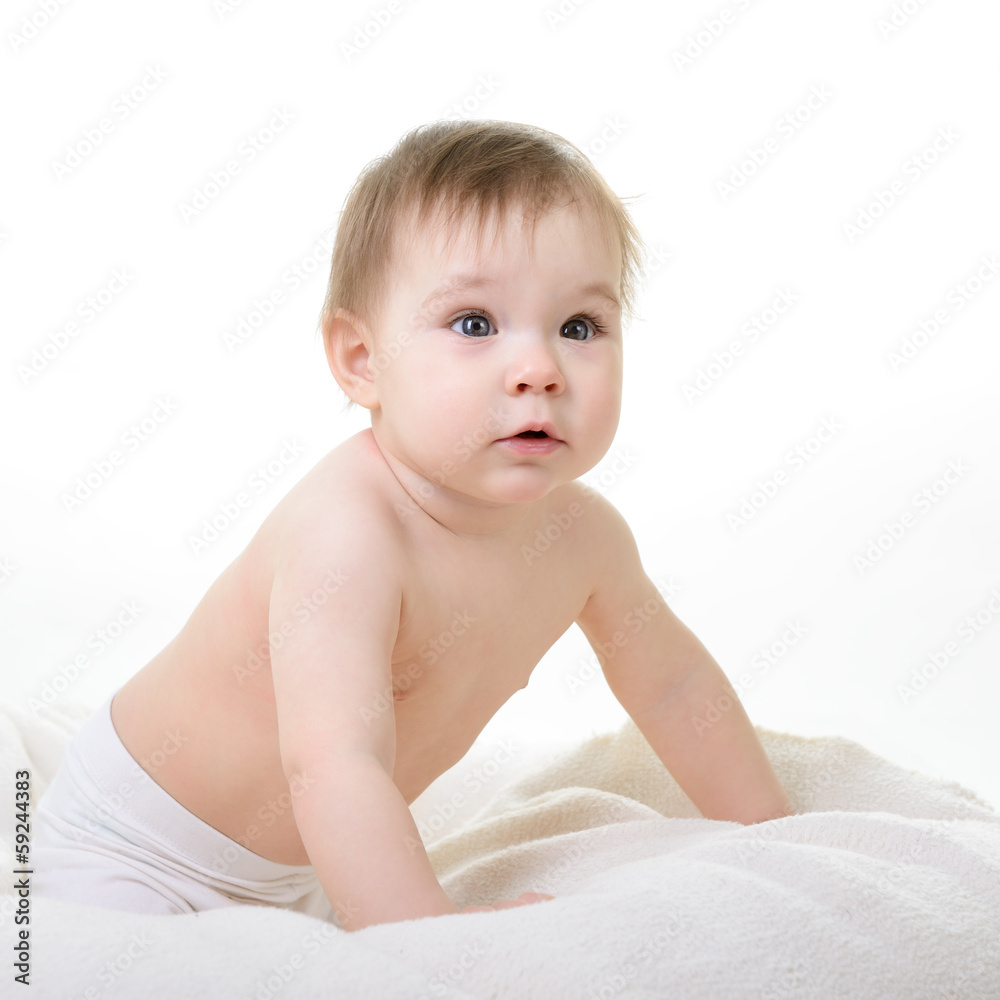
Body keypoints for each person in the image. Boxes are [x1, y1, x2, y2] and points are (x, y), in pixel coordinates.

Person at [31, 119, 793, 931]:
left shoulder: (586, 539)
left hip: (310, 868)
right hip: (134, 850)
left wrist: (776, 840)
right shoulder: (349, 535)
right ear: (363, 361)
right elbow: (334, 762)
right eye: (474, 324)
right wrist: (433, 941)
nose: (538, 370)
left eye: (579, 327)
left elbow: (674, 686)